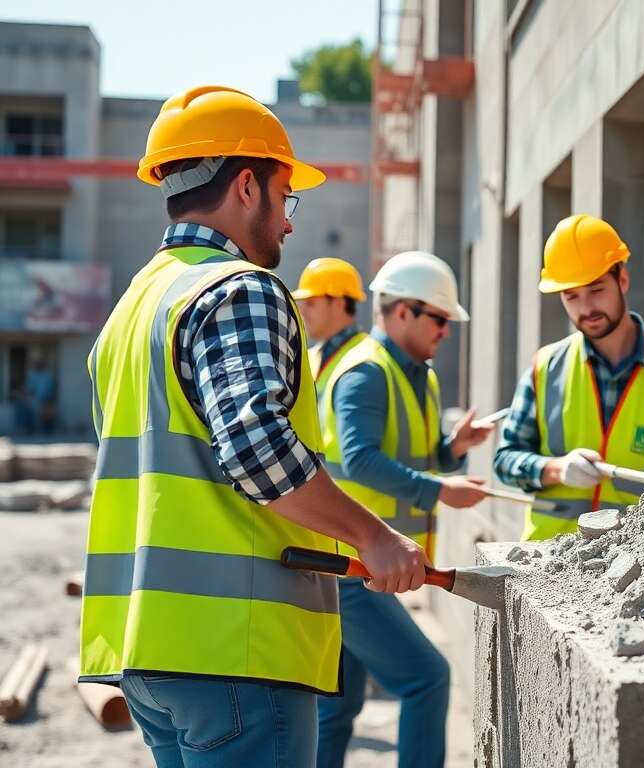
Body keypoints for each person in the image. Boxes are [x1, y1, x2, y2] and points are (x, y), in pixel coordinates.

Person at [81, 84, 427, 767]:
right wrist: (373, 535)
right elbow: (257, 449)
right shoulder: (237, 288)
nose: (289, 225)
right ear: (246, 185)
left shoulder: (133, 306)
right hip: (233, 650)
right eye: (285, 197)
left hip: (146, 648)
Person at [315, 250, 494, 768]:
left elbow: (410, 454)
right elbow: (361, 459)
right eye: (438, 318)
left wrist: (453, 448)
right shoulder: (366, 373)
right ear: (401, 312)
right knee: (427, 678)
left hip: (363, 565)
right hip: (351, 564)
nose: (446, 330)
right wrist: (439, 490)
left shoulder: (418, 375)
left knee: (337, 708)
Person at [494, 214, 644, 540]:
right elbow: (505, 460)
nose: (586, 308)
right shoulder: (545, 368)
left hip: (639, 557)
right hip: (551, 556)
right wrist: (556, 469)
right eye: (571, 296)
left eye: (597, 289)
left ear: (622, 280)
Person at [293, 257, 369, 403]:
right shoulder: (309, 357)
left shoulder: (366, 359)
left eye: (311, 303)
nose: (302, 312)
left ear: (339, 304)